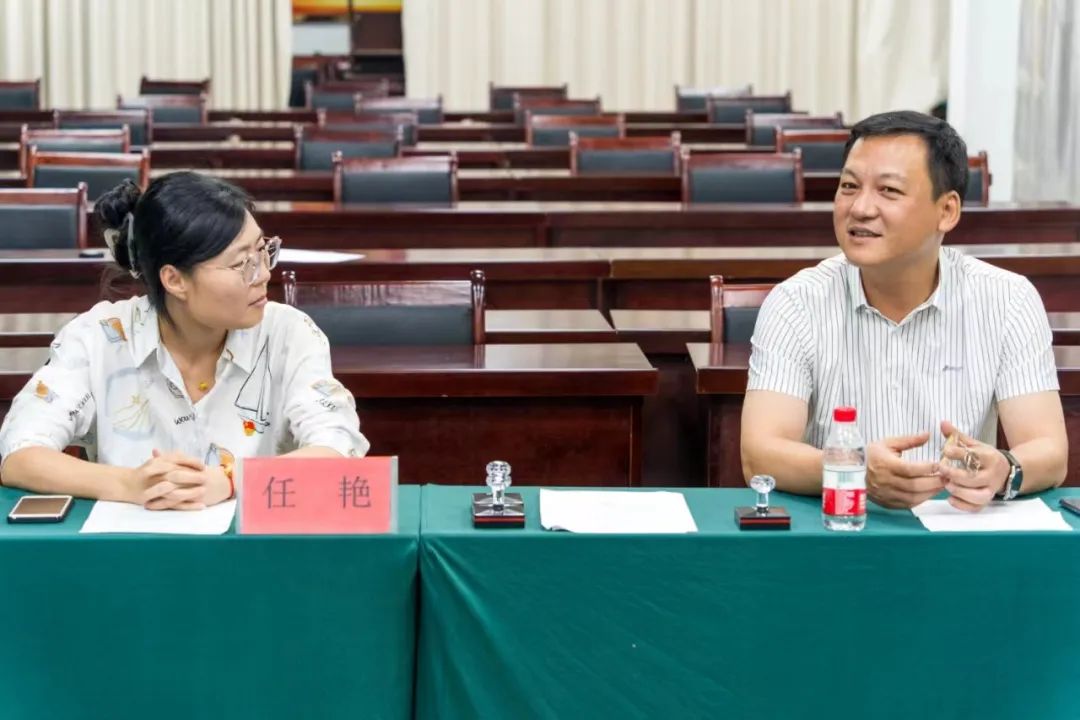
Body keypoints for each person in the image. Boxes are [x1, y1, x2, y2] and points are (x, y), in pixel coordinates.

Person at [740, 110, 1066, 512]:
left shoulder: (1007, 299)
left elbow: (1049, 451)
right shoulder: (796, 302)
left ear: (947, 211)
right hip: (840, 528)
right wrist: (855, 468)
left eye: (889, 191)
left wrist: (1004, 469)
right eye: (849, 186)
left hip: (956, 527)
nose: (860, 208)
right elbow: (760, 454)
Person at [0, 172, 369, 510]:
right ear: (174, 280)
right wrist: (130, 484)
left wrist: (232, 480)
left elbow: (339, 446)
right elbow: (20, 454)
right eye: (242, 264)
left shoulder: (289, 333)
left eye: (263, 250)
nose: (263, 274)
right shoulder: (98, 337)